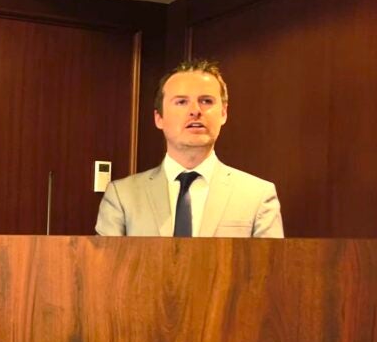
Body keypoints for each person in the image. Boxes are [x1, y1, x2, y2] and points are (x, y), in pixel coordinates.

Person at [95, 59, 283, 238]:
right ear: (158, 118)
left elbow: (270, 269)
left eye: (206, 101)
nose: (195, 110)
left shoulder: (258, 195)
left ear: (224, 113)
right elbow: (105, 269)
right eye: (181, 102)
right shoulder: (122, 196)